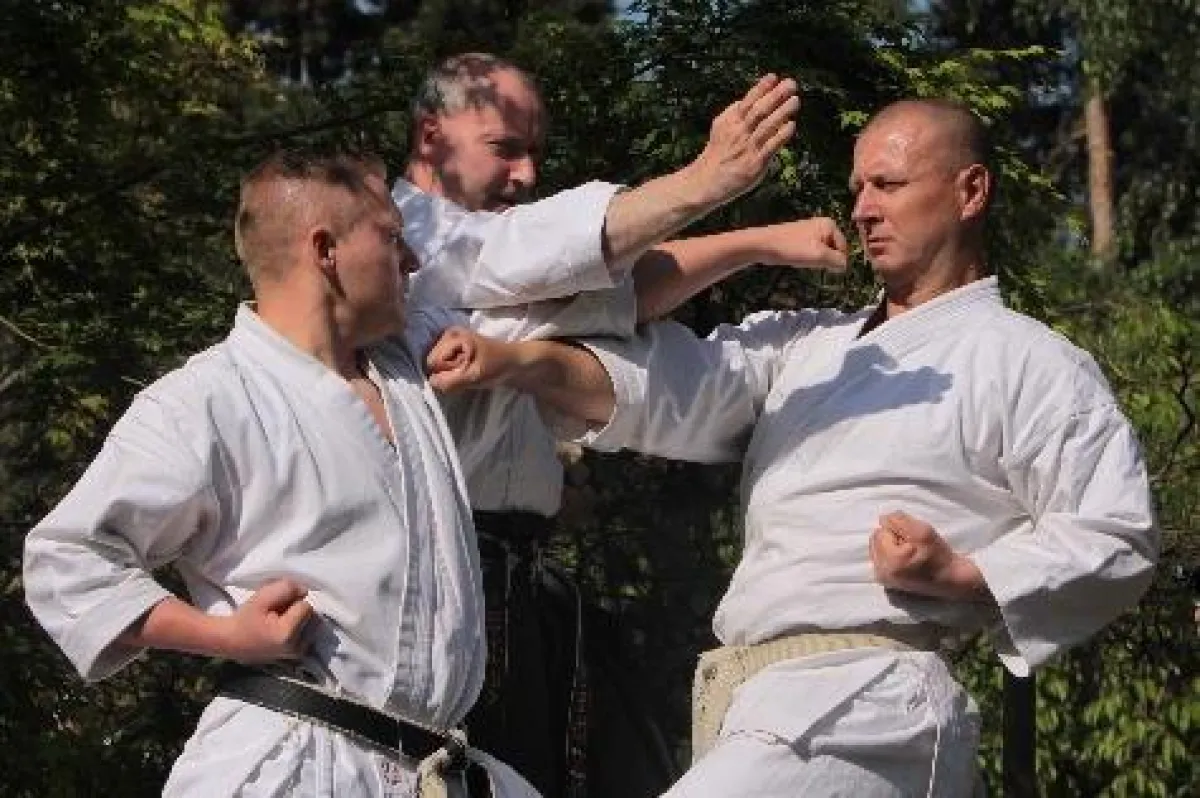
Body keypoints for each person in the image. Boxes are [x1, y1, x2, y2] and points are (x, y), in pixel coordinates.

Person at [425, 98, 1160, 796]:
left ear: (970, 191)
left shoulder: (1027, 360)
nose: (865, 207)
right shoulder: (806, 346)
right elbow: (663, 390)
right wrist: (510, 362)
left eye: (890, 184)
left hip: (872, 705)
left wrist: (966, 573)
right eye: (859, 187)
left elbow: (1117, 534)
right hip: (754, 705)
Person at [393, 52, 848, 796]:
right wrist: (708, 179)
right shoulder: (404, 247)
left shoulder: (500, 263)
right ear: (431, 135)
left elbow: (614, 288)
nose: (527, 175)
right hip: (430, 580)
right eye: (505, 149)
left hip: (515, 583)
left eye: (535, 153)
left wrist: (757, 240)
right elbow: (557, 262)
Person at [23, 150, 541, 798]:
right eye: (391, 238)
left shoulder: (411, 372)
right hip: (293, 767)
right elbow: (66, 558)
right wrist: (224, 635)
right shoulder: (206, 400)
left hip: (433, 768)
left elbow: (560, 304)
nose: (412, 261)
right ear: (326, 251)